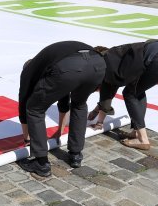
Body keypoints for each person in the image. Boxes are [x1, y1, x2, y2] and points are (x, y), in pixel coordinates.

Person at [17, 41, 106, 176]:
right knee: (79, 104)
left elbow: (24, 104)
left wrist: (27, 139)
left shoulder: (29, 71)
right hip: (98, 65)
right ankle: (76, 155)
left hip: (71, 66)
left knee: (34, 108)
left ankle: (41, 163)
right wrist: (60, 130)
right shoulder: (52, 60)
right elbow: (64, 99)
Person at [89, 39, 158, 151]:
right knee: (137, 91)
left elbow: (106, 96)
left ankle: (143, 139)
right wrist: (96, 110)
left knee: (130, 93)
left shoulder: (105, 64)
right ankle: (136, 132)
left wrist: (99, 123)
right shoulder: (117, 56)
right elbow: (109, 92)